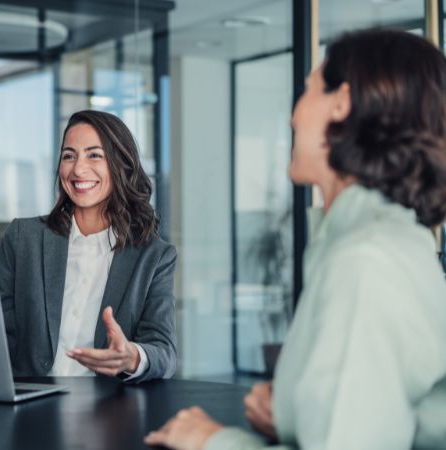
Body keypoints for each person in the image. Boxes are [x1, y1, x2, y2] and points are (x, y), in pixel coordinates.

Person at [145, 28, 446, 450]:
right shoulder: (377, 243)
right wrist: (298, 417)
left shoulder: (365, 261)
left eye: (307, 92)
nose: (293, 115)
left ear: (340, 105)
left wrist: (212, 441)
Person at [0, 110, 177, 381]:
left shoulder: (154, 257)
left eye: (94, 155)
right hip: (30, 403)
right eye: (69, 156)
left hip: (109, 408)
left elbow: (164, 351)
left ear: (122, 164)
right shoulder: (23, 237)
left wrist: (132, 357)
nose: (78, 169)